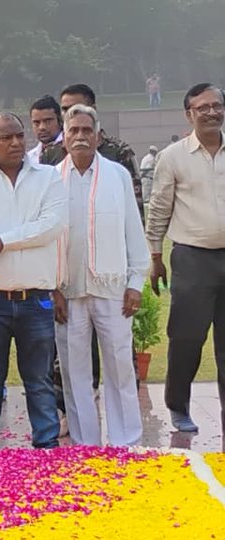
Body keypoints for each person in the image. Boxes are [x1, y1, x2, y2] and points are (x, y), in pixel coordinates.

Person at [0, 112, 66, 451]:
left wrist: (5, 240)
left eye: (20, 135)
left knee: (39, 382)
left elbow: (52, 224)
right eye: (6, 137)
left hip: (36, 298)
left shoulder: (47, 176)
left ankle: (46, 451)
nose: (16, 142)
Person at [53, 104, 147, 447]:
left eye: (86, 130)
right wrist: (53, 290)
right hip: (68, 291)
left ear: (98, 135)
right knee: (74, 371)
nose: (80, 136)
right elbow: (47, 239)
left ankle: (127, 441)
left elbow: (132, 232)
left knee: (120, 366)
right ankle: (84, 442)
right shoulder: (51, 179)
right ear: (64, 137)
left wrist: (135, 282)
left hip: (113, 289)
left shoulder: (117, 175)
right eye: (73, 130)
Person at [146, 83, 225, 433]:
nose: (211, 112)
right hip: (192, 259)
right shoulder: (174, 156)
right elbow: (159, 208)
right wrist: (155, 255)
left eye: (217, 105)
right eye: (202, 107)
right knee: (187, 338)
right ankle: (178, 406)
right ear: (188, 113)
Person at [41, 84, 143, 220]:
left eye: (76, 107)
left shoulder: (118, 153)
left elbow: (134, 207)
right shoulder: (50, 154)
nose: (70, 113)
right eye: (64, 109)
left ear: (93, 109)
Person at [28, 95, 64, 162]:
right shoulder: (29, 158)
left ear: (60, 120)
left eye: (48, 121)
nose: (42, 127)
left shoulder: (71, 152)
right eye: (36, 122)